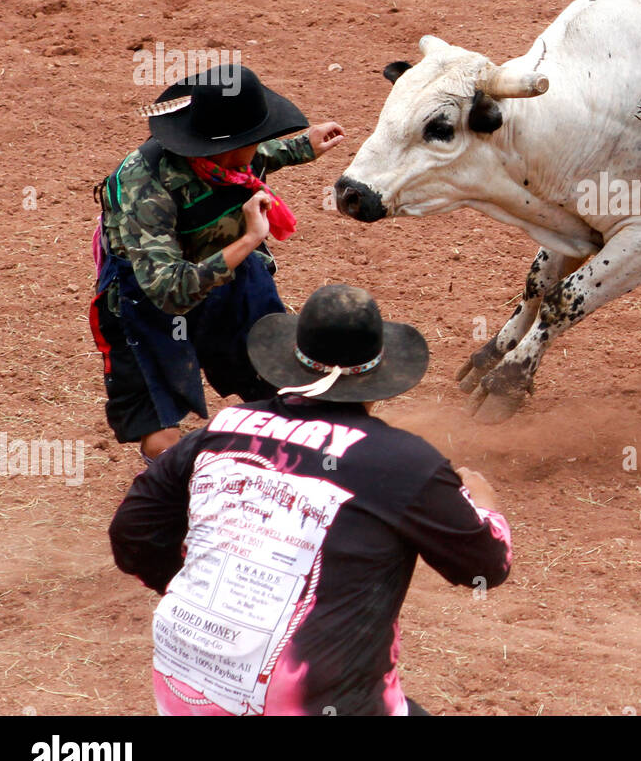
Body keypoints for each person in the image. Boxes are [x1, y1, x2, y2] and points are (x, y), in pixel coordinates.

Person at [109, 283, 513, 716]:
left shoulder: (224, 428)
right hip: (307, 699)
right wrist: (485, 505)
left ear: (291, 363)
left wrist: (196, 596)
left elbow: (132, 534)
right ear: (379, 380)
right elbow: (486, 569)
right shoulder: (404, 462)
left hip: (182, 679)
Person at [90, 65, 346, 459]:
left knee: (282, 384)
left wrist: (302, 146)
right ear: (223, 146)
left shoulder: (227, 160)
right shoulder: (145, 186)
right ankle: (189, 486)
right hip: (147, 301)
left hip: (224, 283)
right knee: (162, 441)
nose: (262, 144)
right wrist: (248, 240)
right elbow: (167, 291)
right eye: (257, 137)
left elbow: (254, 158)